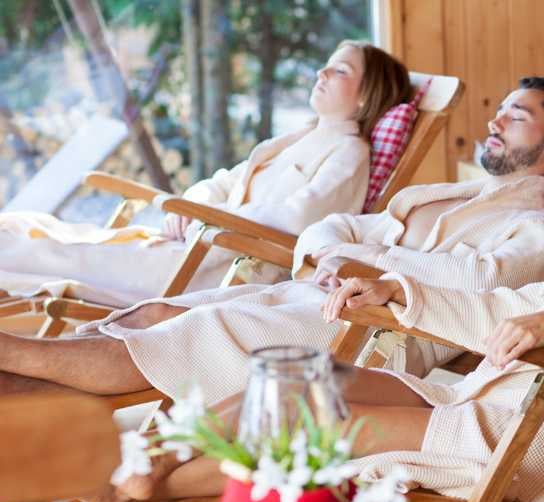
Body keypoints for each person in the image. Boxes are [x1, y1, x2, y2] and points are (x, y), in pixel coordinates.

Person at [103, 136, 544, 502]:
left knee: (331, 425)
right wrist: (401, 289)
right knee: (307, 377)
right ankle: (151, 465)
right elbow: (502, 310)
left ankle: (138, 481)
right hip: (480, 400)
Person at [0, 77, 544, 428]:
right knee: (155, 313)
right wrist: (336, 257)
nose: (495, 121)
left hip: (379, 333)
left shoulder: (538, 227)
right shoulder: (448, 193)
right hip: (323, 295)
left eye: (516, 116)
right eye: (499, 110)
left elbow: (473, 284)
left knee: (197, 326)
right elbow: (333, 227)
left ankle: (12, 354)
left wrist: (366, 264)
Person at [0, 41, 411, 307]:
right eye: (325, 65)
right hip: (195, 242)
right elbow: (225, 181)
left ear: (365, 97)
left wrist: (208, 224)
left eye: (339, 71)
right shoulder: (298, 137)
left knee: (59, 253)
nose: (322, 73)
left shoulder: (349, 153)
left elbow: (300, 224)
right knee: (42, 230)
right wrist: (194, 204)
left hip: (220, 265)